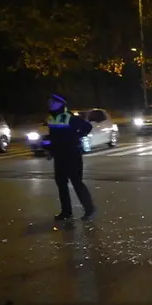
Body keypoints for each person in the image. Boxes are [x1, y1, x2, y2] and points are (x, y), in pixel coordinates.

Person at [44, 94, 96, 222]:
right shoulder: (51, 118)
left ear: (60, 103)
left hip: (72, 154)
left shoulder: (70, 117)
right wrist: (50, 150)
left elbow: (87, 127)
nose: (49, 103)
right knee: (61, 183)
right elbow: (53, 136)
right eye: (49, 101)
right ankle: (66, 212)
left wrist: (76, 137)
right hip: (59, 155)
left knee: (77, 182)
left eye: (52, 101)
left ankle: (89, 210)